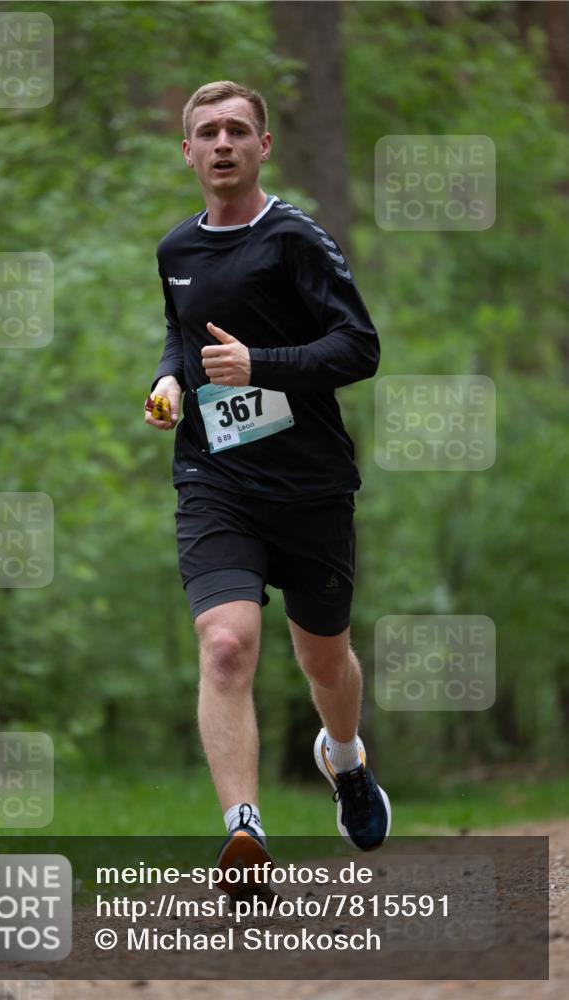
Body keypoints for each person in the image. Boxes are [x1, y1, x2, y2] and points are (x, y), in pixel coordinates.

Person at [144, 80, 391, 881]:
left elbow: (359, 348)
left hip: (311, 486)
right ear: (187, 152)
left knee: (325, 661)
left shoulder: (296, 240)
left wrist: (262, 366)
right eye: (207, 132)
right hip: (216, 480)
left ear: (262, 147)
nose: (221, 143)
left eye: (236, 131)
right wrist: (172, 382)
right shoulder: (175, 251)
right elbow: (181, 340)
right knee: (223, 646)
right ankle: (243, 834)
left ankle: (345, 761)